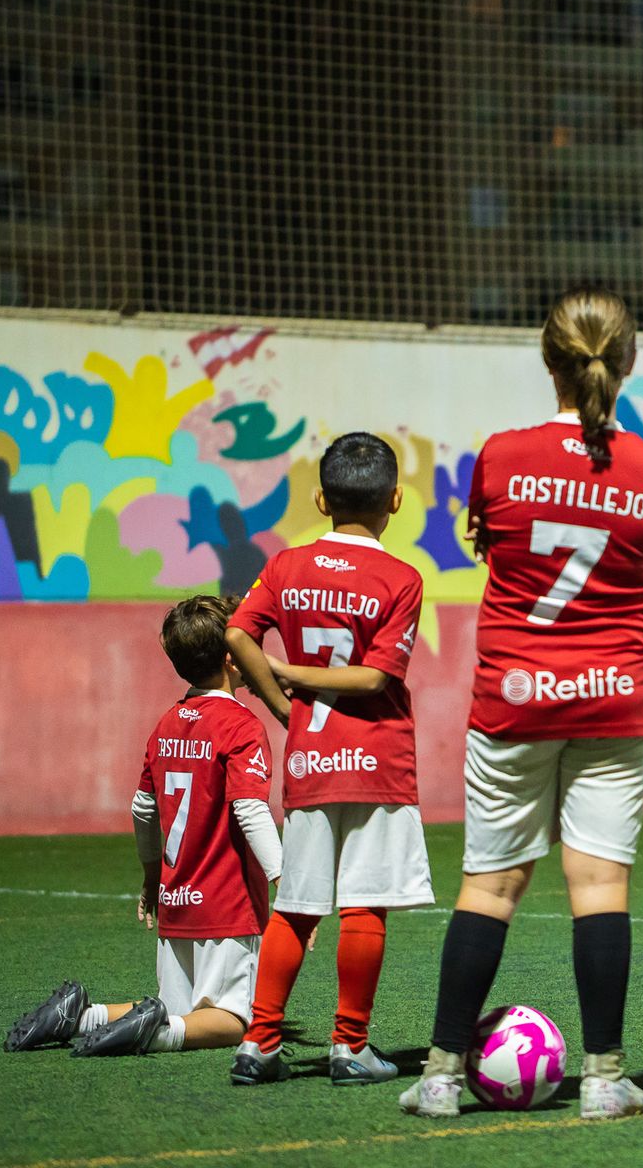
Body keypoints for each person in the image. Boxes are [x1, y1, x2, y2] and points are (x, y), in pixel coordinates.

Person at [399, 287, 643, 1121]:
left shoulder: (499, 454)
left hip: (516, 695)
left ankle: (443, 1078)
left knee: (489, 888)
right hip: (618, 699)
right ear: (624, 364)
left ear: (548, 360)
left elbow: (482, 537)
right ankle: (603, 1081)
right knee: (599, 884)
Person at [227, 432, 433, 1086]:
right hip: (377, 760)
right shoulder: (401, 578)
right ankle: (350, 1046)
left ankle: (258, 1043)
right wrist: (292, 674)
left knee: (299, 904)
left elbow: (236, 631)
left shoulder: (285, 567)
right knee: (365, 903)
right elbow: (376, 679)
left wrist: (282, 702)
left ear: (319, 497)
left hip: (310, 758)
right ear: (395, 500)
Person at [4, 595, 280, 1057]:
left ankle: (83, 1016)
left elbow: (143, 808)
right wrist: (285, 881)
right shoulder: (241, 726)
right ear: (233, 658)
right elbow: (250, 810)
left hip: (176, 901)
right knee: (236, 1019)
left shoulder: (166, 724)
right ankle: (154, 1037)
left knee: (178, 1005)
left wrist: (153, 876)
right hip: (226, 906)